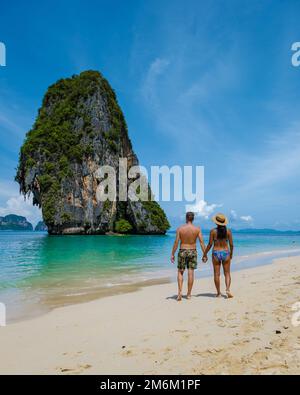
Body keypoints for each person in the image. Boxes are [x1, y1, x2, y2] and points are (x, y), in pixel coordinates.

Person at [171, 212, 206, 301]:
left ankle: (179, 292)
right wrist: (204, 254)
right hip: (192, 251)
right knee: (191, 273)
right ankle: (189, 294)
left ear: (186, 218)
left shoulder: (180, 229)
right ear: (193, 219)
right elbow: (201, 242)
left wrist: (172, 253)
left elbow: (176, 242)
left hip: (182, 250)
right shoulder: (197, 229)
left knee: (180, 272)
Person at [202, 213, 234, 298]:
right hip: (226, 252)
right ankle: (227, 289)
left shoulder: (213, 231)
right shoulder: (228, 231)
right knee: (227, 273)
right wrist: (231, 254)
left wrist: (204, 254)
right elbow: (231, 245)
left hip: (216, 252)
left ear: (216, 222)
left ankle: (218, 293)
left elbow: (209, 244)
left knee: (216, 274)